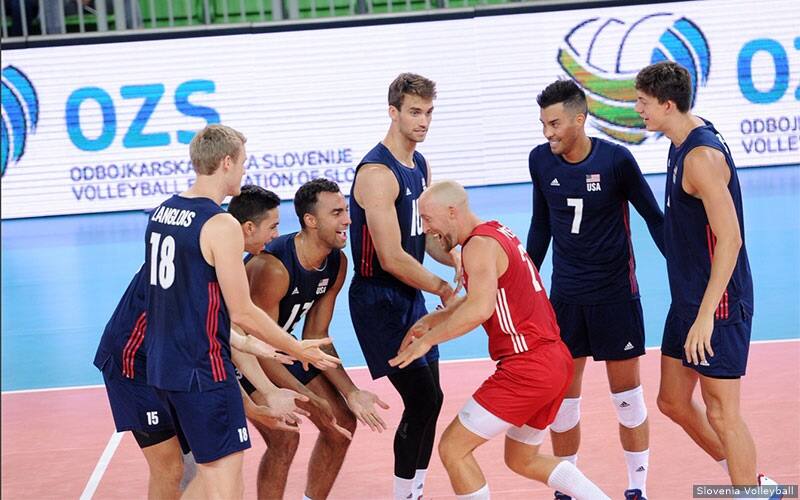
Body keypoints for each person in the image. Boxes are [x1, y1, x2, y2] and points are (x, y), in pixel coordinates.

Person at [143, 124, 340, 500]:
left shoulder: (163, 212)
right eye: (243, 163)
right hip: (203, 368)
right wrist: (295, 348)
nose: (244, 171)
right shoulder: (220, 224)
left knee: (217, 479)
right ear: (227, 162)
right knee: (223, 482)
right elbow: (244, 311)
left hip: (162, 365)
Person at [390, 180, 610, 500]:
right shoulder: (495, 232)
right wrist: (433, 319)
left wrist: (429, 341)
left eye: (427, 218)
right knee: (523, 458)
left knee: (453, 449)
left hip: (528, 366)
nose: (426, 229)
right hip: (553, 360)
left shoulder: (477, 246)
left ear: (452, 212)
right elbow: (480, 297)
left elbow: (480, 309)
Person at [93, 183, 307, 499]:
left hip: (164, 362)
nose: (276, 235)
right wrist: (293, 354)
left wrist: (266, 388)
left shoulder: (220, 254)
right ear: (247, 228)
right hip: (132, 363)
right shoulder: (206, 255)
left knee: (203, 470)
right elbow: (219, 341)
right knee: (173, 470)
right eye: (272, 226)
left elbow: (221, 335)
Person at [635, 61, 780, 491]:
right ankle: (748, 480)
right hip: (689, 298)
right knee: (673, 401)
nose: (637, 110)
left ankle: (748, 489)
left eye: (643, 103)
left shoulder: (701, 158)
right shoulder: (679, 140)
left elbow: (731, 240)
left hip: (715, 305)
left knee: (722, 412)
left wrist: (704, 317)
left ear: (667, 103)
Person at [526, 79, 665, 500]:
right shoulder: (539, 161)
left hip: (615, 296)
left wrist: (685, 271)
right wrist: (528, 284)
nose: (547, 133)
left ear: (579, 119)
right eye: (543, 124)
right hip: (566, 299)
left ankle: (636, 489)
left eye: (554, 123)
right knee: (563, 405)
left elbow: (654, 219)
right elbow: (541, 226)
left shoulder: (617, 161)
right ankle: (567, 490)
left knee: (629, 402)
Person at [241, 178, 390, 500]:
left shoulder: (336, 262)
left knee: (341, 423)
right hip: (241, 353)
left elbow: (316, 335)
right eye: (337, 213)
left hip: (282, 347)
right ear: (311, 221)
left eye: (346, 211)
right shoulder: (273, 267)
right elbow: (257, 345)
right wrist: (309, 396)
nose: (348, 220)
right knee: (285, 437)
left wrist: (350, 392)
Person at [348, 73, 457, 500]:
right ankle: (403, 495)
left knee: (434, 399)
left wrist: (460, 256)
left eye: (429, 112)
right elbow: (391, 256)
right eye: (414, 112)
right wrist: (443, 287)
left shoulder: (420, 165)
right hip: (379, 300)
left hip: (410, 296)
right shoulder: (377, 173)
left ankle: (416, 490)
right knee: (423, 399)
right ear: (393, 112)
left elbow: (425, 237)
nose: (423, 121)